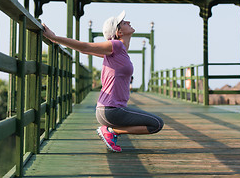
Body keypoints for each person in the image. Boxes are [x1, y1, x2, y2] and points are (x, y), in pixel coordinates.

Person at [42, 10, 164, 152]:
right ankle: (112, 132)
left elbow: (85, 51)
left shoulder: (119, 52)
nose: (129, 22)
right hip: (111, 110)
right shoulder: (115, 46)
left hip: (107, 110)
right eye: (124, 23)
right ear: (119, 32)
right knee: (156, 123)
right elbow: (84, 46)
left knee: (155, 123)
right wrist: (55, 38)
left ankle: (111, 130)